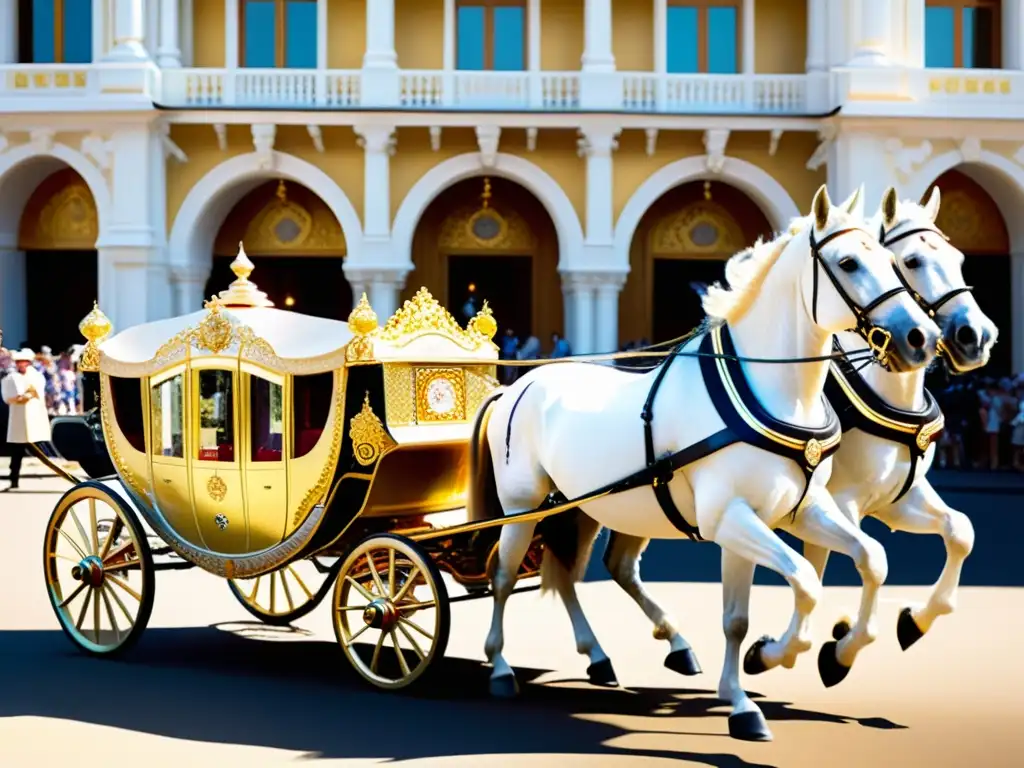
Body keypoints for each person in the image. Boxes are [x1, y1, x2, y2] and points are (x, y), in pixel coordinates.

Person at [1, 348, 52, 490]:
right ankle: (14, 480)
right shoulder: (11, 378)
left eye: (23, 362)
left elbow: (38, 393)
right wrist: (19, 398)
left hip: (33, 418)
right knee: (16, 453)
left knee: (40, 448)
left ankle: (57, 470)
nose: (21, 364)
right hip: (18, 419)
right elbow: (8, 397)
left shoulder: (36, 376)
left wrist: (29, 396)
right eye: (18, 362)